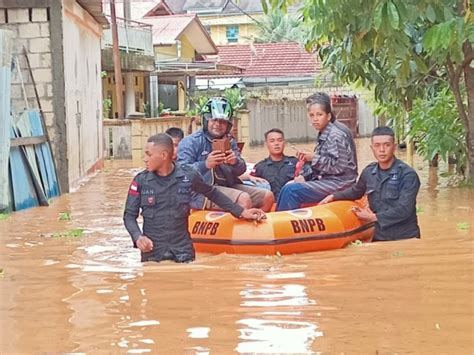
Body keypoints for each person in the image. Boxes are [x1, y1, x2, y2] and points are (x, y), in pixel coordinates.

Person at [123, 133, 266, 263]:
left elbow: (212, 193)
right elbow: (129, 216)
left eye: (148, 154)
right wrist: (138, 237)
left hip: (183, 252)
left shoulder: (188, 175)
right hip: (152, 253)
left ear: (164, 155)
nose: (145, 159)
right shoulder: (140, 181)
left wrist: (241, 212)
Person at [320, 126, 421, 241]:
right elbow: (355, 192)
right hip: (380, 236)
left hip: (406, 237)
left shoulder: (407, 175)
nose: (382, 150)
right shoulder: (369, 172)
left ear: (394, 147)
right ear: (371, 148)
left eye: (387, 145)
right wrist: (333, 196)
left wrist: (373, 217)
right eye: (377, 145)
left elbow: (405, 209)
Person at [177, 97, 274, 212]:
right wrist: (205, 165)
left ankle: (254, 227)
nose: (218, 124)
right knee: (244, 199)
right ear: (206, 121)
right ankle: (238, 225)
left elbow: (241, 170)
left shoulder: (230, 141)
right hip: (201, 192)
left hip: (228, 187)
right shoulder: (190, 142)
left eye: (223, 121)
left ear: (228, 125)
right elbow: (181, 173)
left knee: (268, 196)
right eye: (214, 120)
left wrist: (235, 162)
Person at [276, 92, 358, 211]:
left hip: (340, 183)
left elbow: (339, 166)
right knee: (287, 187)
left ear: (328, 116)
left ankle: (283, 225)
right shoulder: (325, 132)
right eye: (312, 115)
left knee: (291, 190)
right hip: (330, 179)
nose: (315, 119)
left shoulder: (335, 135)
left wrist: (313, 158)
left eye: (319, 115)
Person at [250, 128, 312, 200]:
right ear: (266, 144)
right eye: (272, 141)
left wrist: (308, 159)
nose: (276, 144)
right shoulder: (259, 167)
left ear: (284, 142)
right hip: (270, 207)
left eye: (280, 140)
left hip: (292, 204)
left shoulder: (295, 163)